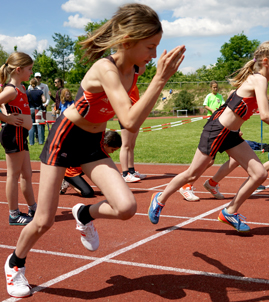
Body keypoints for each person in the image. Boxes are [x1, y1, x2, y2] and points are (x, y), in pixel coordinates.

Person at [4, 3, 185, 298]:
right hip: (64, 138)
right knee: (44, 220)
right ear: (127, 42)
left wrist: (155, 81)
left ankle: (85, 214)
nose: (154, 55)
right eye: (150, 47)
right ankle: (15, 263)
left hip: (92, 144)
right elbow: (128, 120)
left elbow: (135, 117)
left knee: (126, 207)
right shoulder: (105, 68)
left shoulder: (136, 69)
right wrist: (161, 79)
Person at [148, 40, 269, 233]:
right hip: (216, 131)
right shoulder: (259, 79)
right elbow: (265, 115)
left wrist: (235, 123)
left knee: (259, 174)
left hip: (231, 134)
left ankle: (230, 211)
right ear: (265, 62)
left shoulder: (259, 80)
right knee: (192, 174)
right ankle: (160, 199)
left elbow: (233, 97)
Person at [0, 52, 37, 227]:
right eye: (29, 69)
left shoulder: (21, 88)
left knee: (27, 175)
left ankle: (33, 208)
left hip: (21, 135)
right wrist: (7, 118)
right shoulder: (11, 90)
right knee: (13, 176)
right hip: (13, 135)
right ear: (18, 69)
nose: (31, 72)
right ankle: (14, 215)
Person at [179, 81, 229, 201]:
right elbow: (205, 105)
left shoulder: (221, 96)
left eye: (217, 87)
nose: (215, 89)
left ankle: (211, 183)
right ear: (211, 88)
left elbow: (223, 106)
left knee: (212, 161)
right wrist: (212, 110)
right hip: (213, 123)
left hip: (223, 125)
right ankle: (186, 186)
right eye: (213, 87)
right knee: (207, 161)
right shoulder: (209, 96)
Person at [60, 130, 122, 197]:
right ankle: (68, 181)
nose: (112, 152)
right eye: (113, 149)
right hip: (70, 171)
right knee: (87, 193)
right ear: (105, 145)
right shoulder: (94, 150)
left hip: (81, 168)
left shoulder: (100, 151)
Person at [119, 76, 148, 183]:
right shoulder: (123, 84)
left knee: (131, 145)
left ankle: (131, 171)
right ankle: (125, 173)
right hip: (127, 114)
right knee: (126, 145)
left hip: (136, 114)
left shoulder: (133, 83)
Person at [27, 72, 50, 144]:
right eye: (36, 77)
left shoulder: (27, 91)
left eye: (39, 77)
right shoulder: (39, 91)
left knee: (31, 126)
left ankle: (31, 142)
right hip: (38, 109)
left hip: (30, 109)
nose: (38, 79)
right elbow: (44, 100)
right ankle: (41, 141)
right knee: (40, 125)